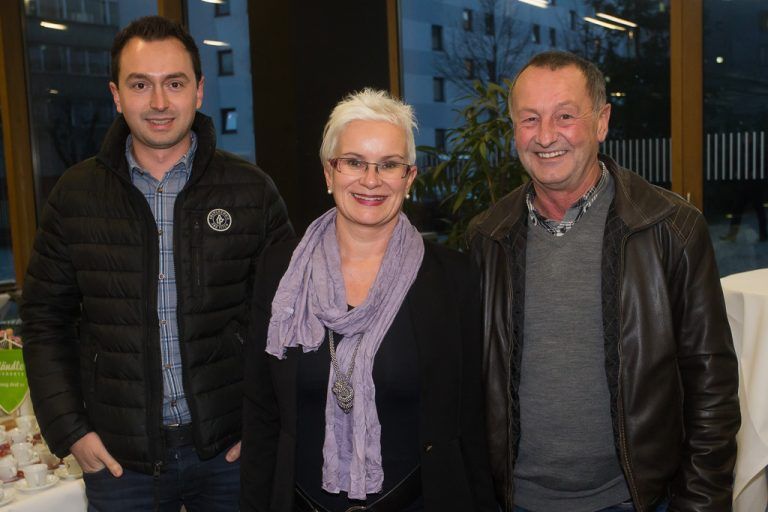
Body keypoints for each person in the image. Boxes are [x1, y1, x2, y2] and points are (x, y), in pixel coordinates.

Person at [21, 15, 293, 511]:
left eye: (175, 83)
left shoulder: (252, 191)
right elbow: (44, 321)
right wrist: (70, 430)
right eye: (140, 85)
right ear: (116, 95)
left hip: (231, 454)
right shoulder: (75, 196)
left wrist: (268, 423)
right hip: (122, 462)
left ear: (199, 91)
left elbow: (288, 320)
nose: (160, 102)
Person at [469, 51, 740, 512]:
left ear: (601, 122)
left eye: (566, 116)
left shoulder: (671, 229)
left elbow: (711, 386)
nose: (546, 136)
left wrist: (699, 505)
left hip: (637, 500)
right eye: (530, 119)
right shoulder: (485, 238)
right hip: (515, 501)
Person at [240, 89, 497, 512]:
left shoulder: (453, 277)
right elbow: (261, 410)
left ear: (409, 178)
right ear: (329, 173)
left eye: (389, 165)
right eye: (354, 162)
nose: (371, 180)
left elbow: (470, 421)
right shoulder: (280, 270)